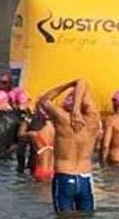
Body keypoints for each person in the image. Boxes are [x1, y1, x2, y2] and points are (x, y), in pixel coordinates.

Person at [39, 79, 100, 214]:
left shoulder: (62, 118)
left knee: (63, 216)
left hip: (64, 176)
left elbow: (43, 100)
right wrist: (78, 106)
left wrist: (69, 84)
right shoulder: (94, 120)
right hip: (85, 178)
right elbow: (83, 82)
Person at [18, 109, 55, 182]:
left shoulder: (34, 134)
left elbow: (20, 134)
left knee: (37, 190)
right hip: (52, 170)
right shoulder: (55, 132)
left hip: (40, 169)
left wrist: (26, 121)